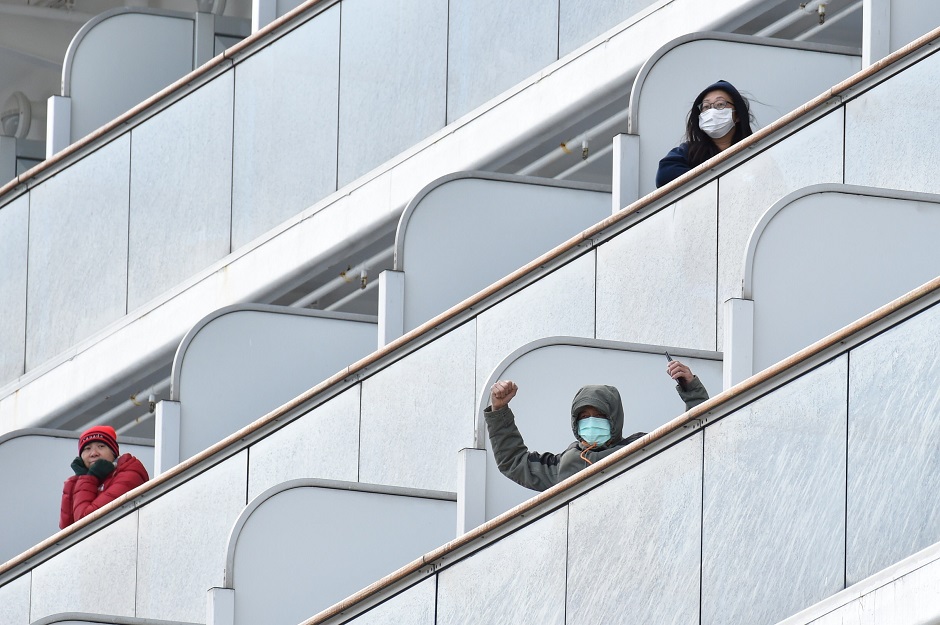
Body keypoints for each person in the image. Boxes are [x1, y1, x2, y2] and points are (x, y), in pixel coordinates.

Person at [483, 359, 708, 491]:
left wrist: (690, 388)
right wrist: (499, 410)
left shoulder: (641, 448)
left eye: (599, 415)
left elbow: (692, 440)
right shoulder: (562, 465)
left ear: (614, 419)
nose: (591, 421)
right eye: (584, 416)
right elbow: (513, 462)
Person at [655, 79, 754, 188]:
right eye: (706, 107)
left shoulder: (754, 148)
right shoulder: (689, 152)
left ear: (738, 114)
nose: (711, 112)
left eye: (720, 104)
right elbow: (665, 175)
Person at [59, 425, 150, 529]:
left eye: (101, 446)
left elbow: (84, 522)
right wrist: (84, 478)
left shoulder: (129, 472)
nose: (93, 453)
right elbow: (66, 529)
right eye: (87, 448)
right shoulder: (78, 482)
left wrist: (88, 478)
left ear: (114, 452)